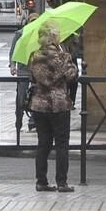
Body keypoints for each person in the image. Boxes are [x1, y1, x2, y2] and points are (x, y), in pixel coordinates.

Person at [29, 21, 79, 193]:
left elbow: (33, 78)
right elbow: (72, 75)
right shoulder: (62, 56)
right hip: (58, 105)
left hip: (39, 105)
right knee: (62, 144)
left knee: (43, 143)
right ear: (53, 37)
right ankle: (62, 182)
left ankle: (41, 181)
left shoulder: (34, 56)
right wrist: (68, 58)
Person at [9, 12, 39, 133]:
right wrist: (12, 65)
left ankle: (33, 121)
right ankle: (19, 120)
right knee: (21, 98)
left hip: (37, 71)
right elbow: (13, 51)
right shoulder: (20, 34)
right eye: (32, 21)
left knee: (37, 97)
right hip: (23, 70)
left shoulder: (41, 35)